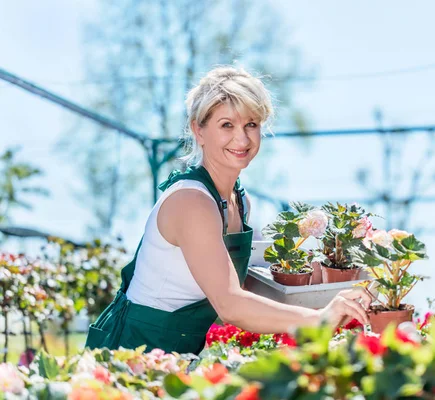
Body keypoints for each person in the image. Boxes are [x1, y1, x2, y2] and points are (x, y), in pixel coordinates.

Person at [85, 66, 372, 354]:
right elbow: (230, 305)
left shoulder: (237, 200)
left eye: (251, 124)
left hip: (178, 351)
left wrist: (322, 293)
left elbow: (237, 284)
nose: (243, 139)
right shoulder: (191, 202)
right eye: (227, 125)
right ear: (199, 130)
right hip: (134, 349)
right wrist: (319, 319)